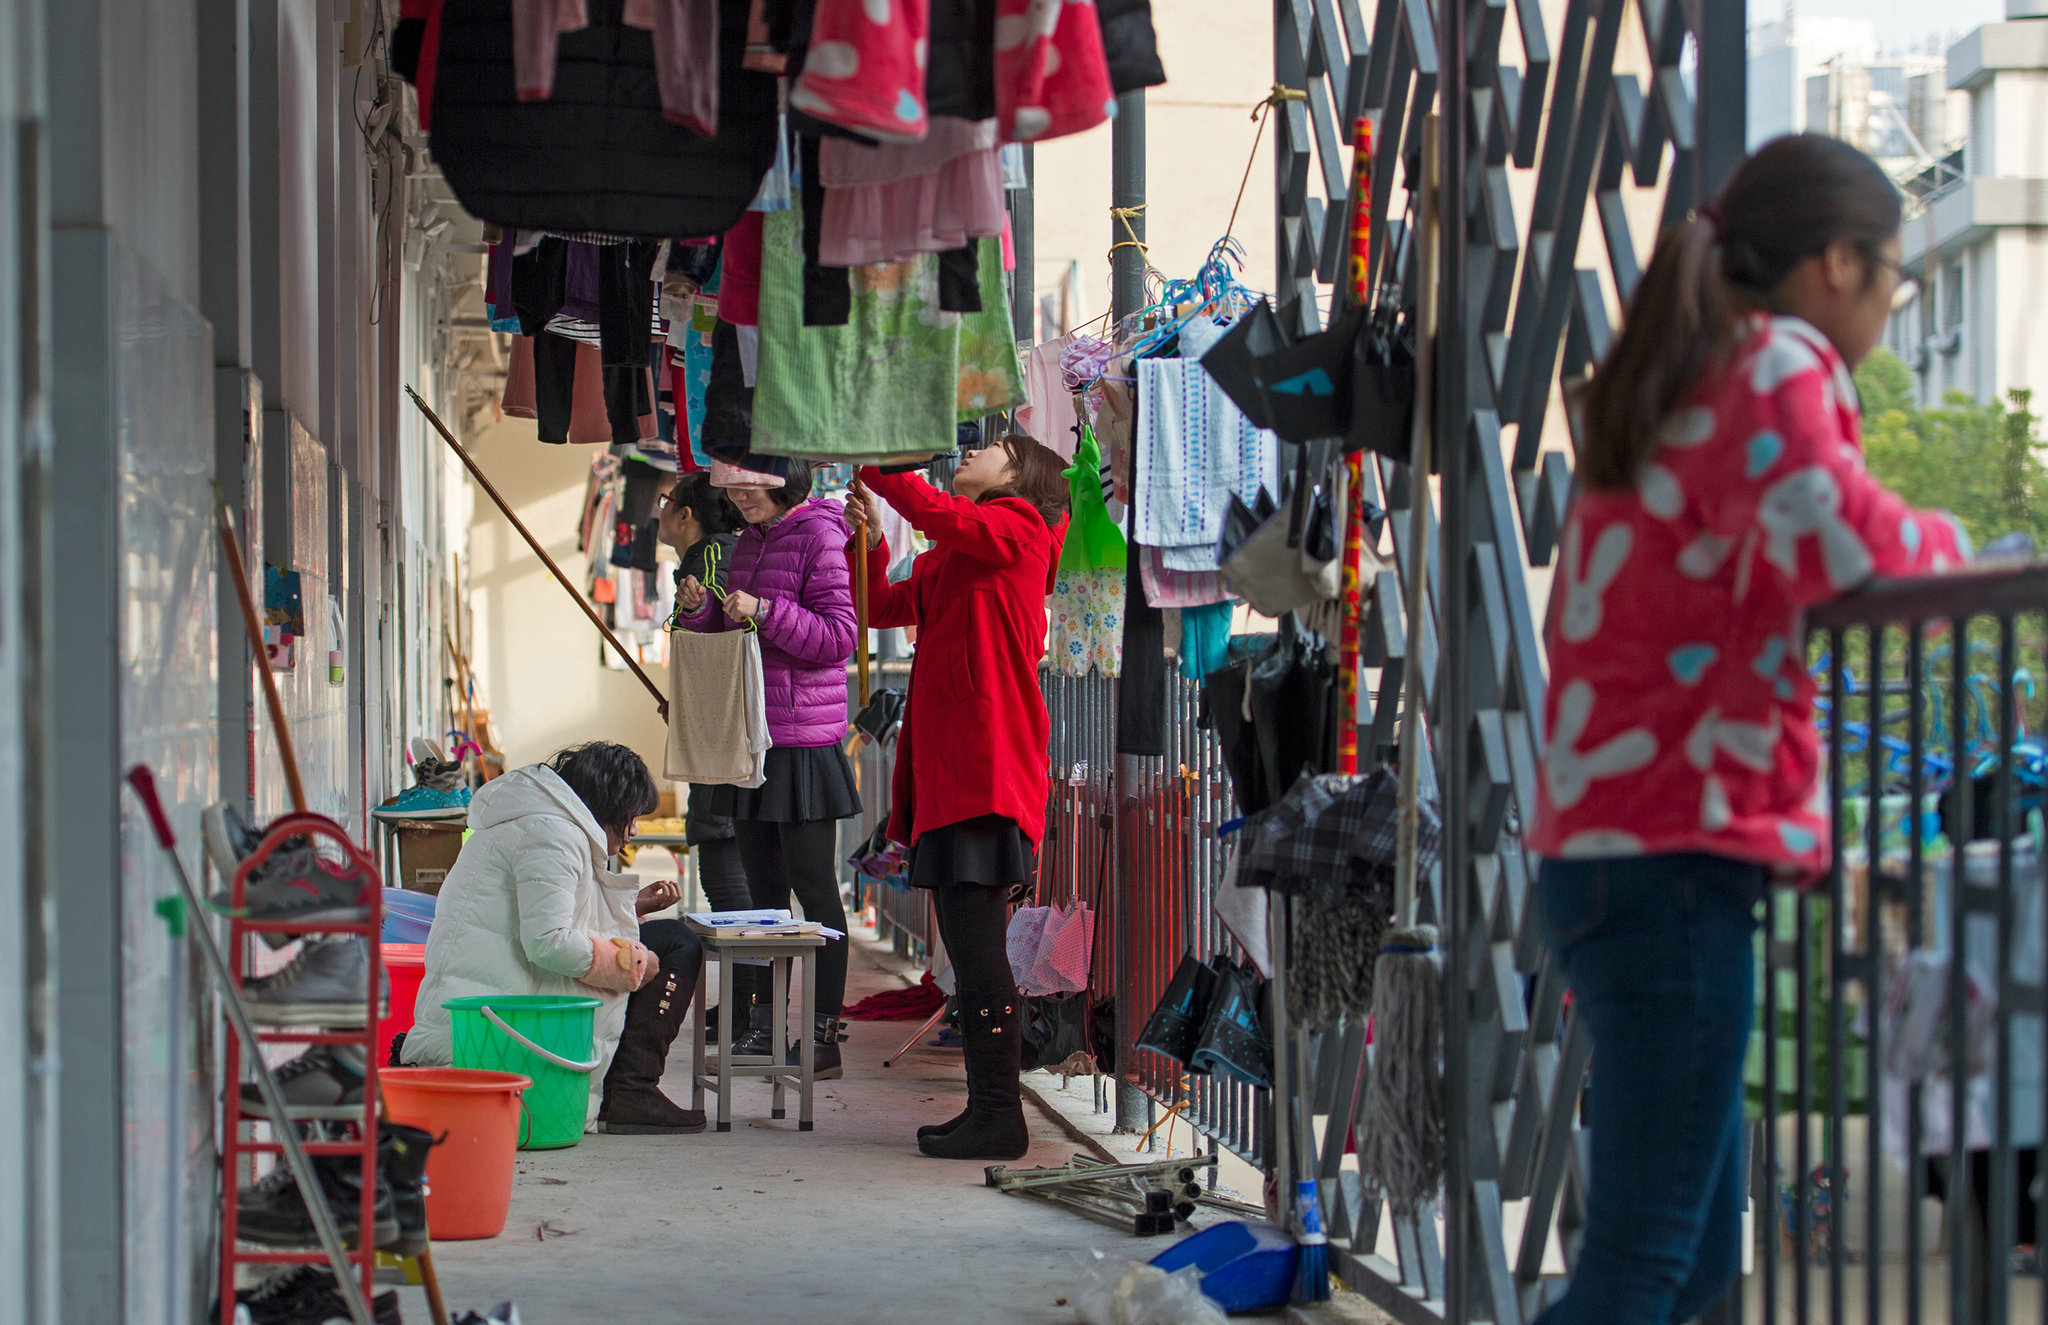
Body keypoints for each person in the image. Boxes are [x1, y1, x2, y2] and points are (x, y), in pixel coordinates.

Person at [1527, 134, 1969, 1322]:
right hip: (1669, 850)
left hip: (1618, 848)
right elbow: (1843, 545)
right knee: (1644, 1260)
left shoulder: (1679, 368)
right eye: (1895, 277)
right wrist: (1968, 557)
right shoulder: (1774, 359)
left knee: (1694, 1263)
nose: (1888, 304)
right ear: (1835, 264)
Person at [845, 434, 1069, 1160]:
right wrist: (874, 541)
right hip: (951, 776)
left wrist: (882, 469)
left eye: (997, 444)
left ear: (1022, 474)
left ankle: (1000, 1112)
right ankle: (988, 1108)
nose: (973, 448)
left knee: (978, 954)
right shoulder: (956, 553)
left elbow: (945, 517)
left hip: (987, 770)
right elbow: (880, 606)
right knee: (970, 954)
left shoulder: (1019, 528)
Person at [401, 742, 711, 1134]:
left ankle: (631, 1089)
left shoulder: (542, 821)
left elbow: (544, 914)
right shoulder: (551, 834)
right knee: (674, 945)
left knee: (669, 936)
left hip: (494, 1017)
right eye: (631, 817)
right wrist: (629, 963)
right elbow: (548, 941)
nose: (633, 831)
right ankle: (632, 1090)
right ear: (609, 804)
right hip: (493, 1038)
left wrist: (631, 907)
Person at [675, 462, 860, 1078]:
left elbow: (839, 638)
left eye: (747, 483)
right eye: (729, 486)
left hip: (803, 742)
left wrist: (766, 609)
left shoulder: (820, 535)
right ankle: (761, 1028)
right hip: (751, 739)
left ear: (782, 480)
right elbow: (739, 633)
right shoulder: (750, 542)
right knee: (762, 899)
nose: (737, 495)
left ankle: (823, 1038)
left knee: (813, 893)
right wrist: (703, 612)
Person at [657, 471, 755, 1045]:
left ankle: (750, 1011)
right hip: (717, 730)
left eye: (669, 503)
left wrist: (697, 701)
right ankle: (745, 1008)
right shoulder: (707, 554)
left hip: (722, 737)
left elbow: (721, 641)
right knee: (724, 870)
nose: (662, 512)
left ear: (690, 514)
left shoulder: (712, 555)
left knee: (725, 870)